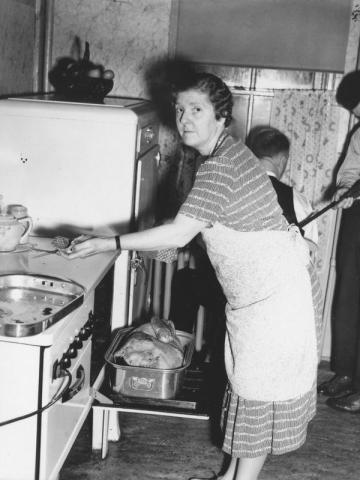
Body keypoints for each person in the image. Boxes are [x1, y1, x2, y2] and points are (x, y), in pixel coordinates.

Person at [61, 72, 317, 480]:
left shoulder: (221, 166)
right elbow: (192, 238)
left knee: (254, 399)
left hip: (272, 307)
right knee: (247, 395)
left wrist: (109, 244)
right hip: (268, 298)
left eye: (196, 109)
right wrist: (114, 241)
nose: (184, 118)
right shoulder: (227, 155)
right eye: (180, 109)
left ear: (221, 116)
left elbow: (181, 232)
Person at [246, 126, 323, 360]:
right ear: (282, 159)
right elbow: (310, 254)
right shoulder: (297, 201)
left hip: (232, 291)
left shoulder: (235, 191)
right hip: (278, 297)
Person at [318, 70, 360, 413]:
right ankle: (345, 372)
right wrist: (346, 190)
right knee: (347, 294)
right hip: (357, 218)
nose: (359, 117)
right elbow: (350, 170)